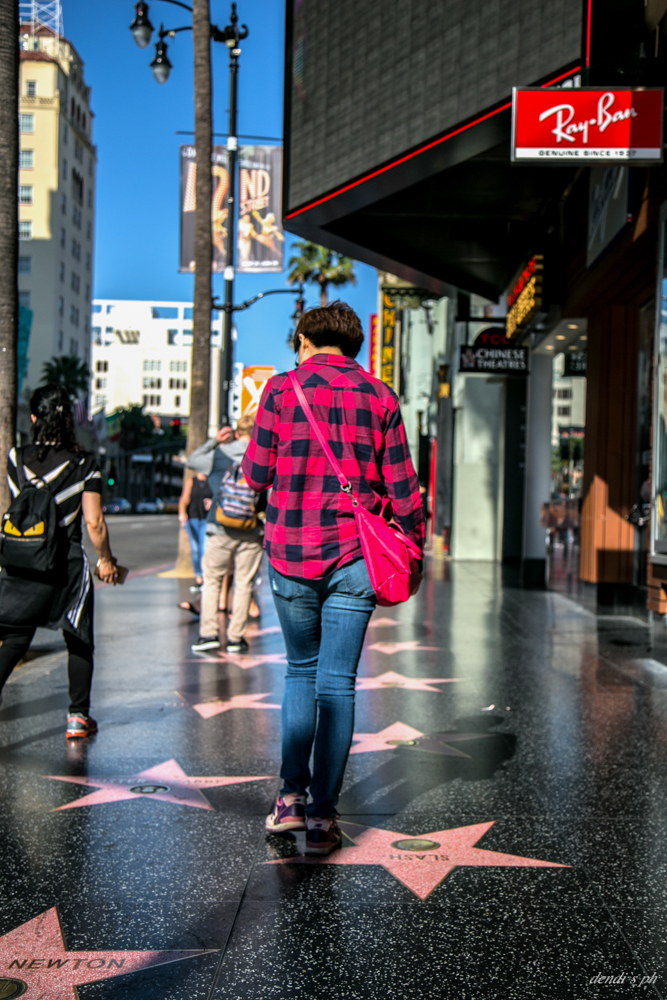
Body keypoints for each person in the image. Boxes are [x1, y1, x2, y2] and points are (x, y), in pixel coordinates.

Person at [242, 301, 425, 855]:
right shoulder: (380, 395)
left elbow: (255, 474)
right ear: (353, 345)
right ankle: (323, 819)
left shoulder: (278, 391)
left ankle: (290, 799)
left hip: (290, 556)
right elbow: (404, 491)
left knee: (300, 671)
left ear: (304, 339)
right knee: (337, 682)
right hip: (354, 559)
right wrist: (413, 545)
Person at [0, 384, 118, 737]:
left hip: (22, 559)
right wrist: (107, 560)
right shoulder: (85, 464)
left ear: (34, 418)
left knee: (16, 637)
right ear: (68, 419)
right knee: (78, 636)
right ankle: (78, 716)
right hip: (65, 561)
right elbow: (94, 521)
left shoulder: (15, 458)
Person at [188, 415, 265, 653]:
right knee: (244, 583)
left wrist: (214, 441)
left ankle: (209, 634)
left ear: (235, 431)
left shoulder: (218, 454)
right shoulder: (261, 455)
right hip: (251, 529)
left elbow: (191, 460)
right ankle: (235, 638)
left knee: (212, 581)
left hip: (219, 526)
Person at [178, 471, 212, 587]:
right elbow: (184, 498)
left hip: (206, 519)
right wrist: (182, 513)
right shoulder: (192, 481)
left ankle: (205, 575)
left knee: (204, 549)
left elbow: (217, 496)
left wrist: (212, 503)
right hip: (193, 518)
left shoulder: (211, 480)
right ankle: (198, 576)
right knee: (196, 550)